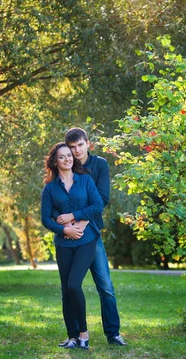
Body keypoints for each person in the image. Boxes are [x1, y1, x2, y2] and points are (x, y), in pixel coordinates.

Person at [54, 127, 127, 346]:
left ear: (88, 143)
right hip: (69, 237)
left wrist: (81, 222)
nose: (76, 151)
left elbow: (102, 198)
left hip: (91, 234)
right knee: (70, 286)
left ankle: (113, 333)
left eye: (80, 145)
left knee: (105, 284)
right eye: (72, 147)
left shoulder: (100, 165)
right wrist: (67, 227)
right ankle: (75, 335)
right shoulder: (68, 166)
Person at [41, 142, 104, 349]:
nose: (67, 159)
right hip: (63, 244)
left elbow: (97, 205)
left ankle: (83, 334)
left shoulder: (85, 181)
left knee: (73, 285)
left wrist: (73, 217)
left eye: (69, 155)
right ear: (55, 161)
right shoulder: (50, 189)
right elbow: (46, 219)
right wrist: (64, 230)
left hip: (87, 240)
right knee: (65, 291)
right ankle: (72, 337)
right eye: (62, 156)